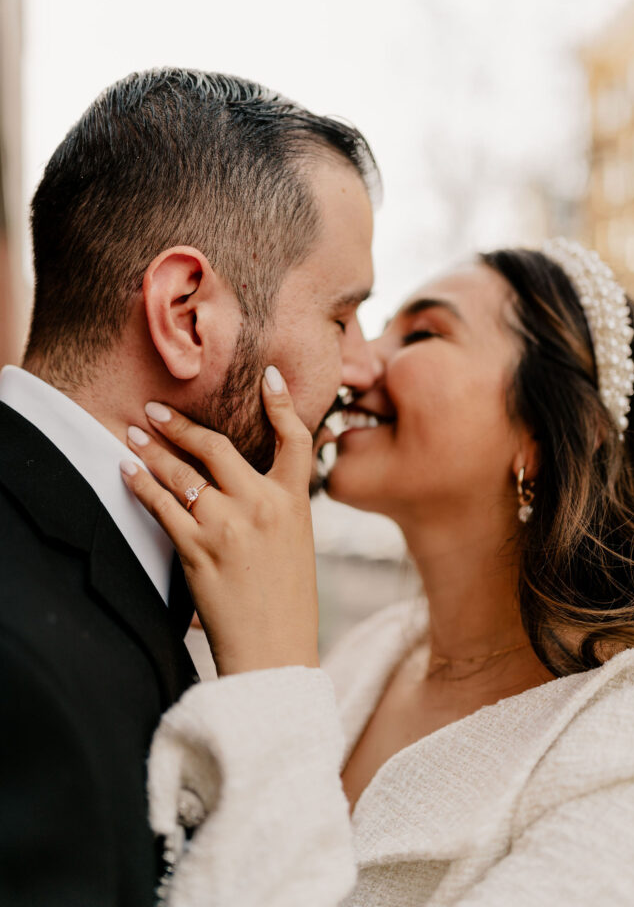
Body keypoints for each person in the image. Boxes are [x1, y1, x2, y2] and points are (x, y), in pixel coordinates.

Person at [123, 240, 634, 906]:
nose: (353, 364)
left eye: (421, 332)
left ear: (549, 432)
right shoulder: (370, 653)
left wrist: (270, 669)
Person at [0, 68, 380, 906]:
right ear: (186, 315)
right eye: (340, 318)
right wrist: (276, 682)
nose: (364, 367)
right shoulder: (22, 660)